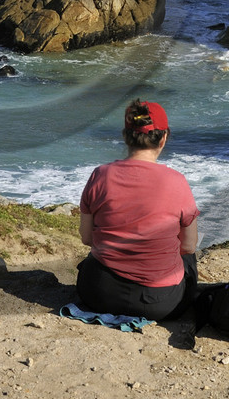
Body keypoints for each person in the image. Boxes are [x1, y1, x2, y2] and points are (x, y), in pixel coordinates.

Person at [76, 99, 200, 319]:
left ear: (126, 136)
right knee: (188, 258)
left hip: (98, 294)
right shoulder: (177, 182)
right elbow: (189, 246)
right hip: (159, 303)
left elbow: (87, 238)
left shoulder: (100, 175)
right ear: (163, 138)